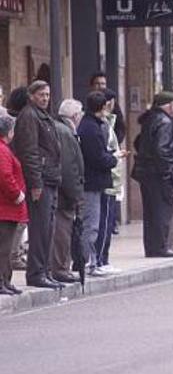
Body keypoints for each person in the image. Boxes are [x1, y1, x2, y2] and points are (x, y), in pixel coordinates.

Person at [12, 81, 63, 289]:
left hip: (50, 178)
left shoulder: (44, 116)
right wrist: (35, 183)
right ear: (31, 95)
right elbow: (29, 152)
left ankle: (44, 270)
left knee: (48, 228)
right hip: (41, 180)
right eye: (41, 94)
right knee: (40, 228)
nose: (45, 98)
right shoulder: (29, 116)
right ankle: (36, 273)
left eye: (48, 95)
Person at [132, 91, 173, 258]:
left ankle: (153, 247)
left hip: (147, 173)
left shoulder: (150, 120)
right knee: (162, 211)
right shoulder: (164, 122)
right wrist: (169, 171)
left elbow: (139, 142)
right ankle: (161, 247)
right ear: (169, 105)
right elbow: (162, 149)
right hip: (159, 174)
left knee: (151, 212)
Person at [77, 91, 118, 276]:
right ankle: (87, 263)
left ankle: (90, 262)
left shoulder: (90, 125)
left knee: (94, 223)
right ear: (102, 108)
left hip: (94, 182)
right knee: (91, 225)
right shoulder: (91, 128)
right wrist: (114, 158)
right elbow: (97, 157)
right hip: (92, 183)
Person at [51, 99, 84, 283]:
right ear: (75, 116)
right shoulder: (65, 132)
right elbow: (69, 167)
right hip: (64, 193)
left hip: (61, 191)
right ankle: (60, 268)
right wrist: (76, 195)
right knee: (63, 231)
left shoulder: (62, 129)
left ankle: (58, 266)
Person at [99, 89, 126, 272]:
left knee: (106, 223)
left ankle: (103, 259)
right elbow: (103, 154)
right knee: (103, 223)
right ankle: (100, 260)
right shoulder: (101, 125)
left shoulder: (110, 123)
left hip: (112, 180)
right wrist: (116, 156)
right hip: (107, 181)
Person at [0, 115, 26, 295]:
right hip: (6, 207)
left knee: (7, 248)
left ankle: (5, 280)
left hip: (8, 207)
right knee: (4, 248)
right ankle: (2, 281)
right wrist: (17, 194)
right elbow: (5, 175)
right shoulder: (2, 150)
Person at [90, 71, 126, 144]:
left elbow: (120, 125)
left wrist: (115, 141)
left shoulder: (113, 103)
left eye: (103, 84)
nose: (100, 87)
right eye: (97, 84)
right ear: (92, 86)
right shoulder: (89, 103)